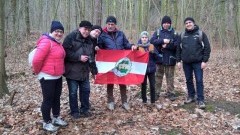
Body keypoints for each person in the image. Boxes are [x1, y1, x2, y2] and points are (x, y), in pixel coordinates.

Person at [32, 21, 67, 132]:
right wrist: (38, 72)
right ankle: (46, 122)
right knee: (48, 100)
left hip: (57, 76)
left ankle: (56, 117)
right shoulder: (46, 42)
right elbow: (37, 59)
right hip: (47, 77)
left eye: (61, 31)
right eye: (57, 31)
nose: (59, 33)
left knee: (56, 98)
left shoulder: (58, 43)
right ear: (52, 31)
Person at [98, 16, 137, 111]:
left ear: (115, 25)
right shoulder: (102, 35)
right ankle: (110, 102)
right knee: (110, 82)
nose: (110, 26)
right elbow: (99, 48)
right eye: (109, 24)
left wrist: (132, 46)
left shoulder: (120, 34)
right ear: (106, 24)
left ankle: (124, 101)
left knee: (122, 82)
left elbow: (126, 44)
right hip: (109, 63)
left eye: (112, 24)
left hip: (120, 62)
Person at [63, 20, 98, 119]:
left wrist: (94, 70)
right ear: (80, 28)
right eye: (85, 29)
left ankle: (85, 109)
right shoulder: (71, 37)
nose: (86, 31)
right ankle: (74, 111)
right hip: (72, 71)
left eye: (88, 30)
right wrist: (79, 57)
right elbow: (65, 53)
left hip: (84, 71)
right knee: (73, 92)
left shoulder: (90, 40)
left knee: (86, 91)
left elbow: (91, 56)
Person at [176, 17, 211, 109]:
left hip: (198, 62)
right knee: (188, 80)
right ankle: (191, 96)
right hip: (186, 63)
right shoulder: (182, 35)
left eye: (190, 22)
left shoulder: (200, 34)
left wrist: (204, 61)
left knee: (199, 80)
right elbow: (178, 49)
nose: (188, 24)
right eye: (186, 23)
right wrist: (178, 61)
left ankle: (200, 99)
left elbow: (207, 48)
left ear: (193, 23)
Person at [150, 16, 179, 101]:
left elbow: (177, 44)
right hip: (159, 59)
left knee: (170, 78)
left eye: (168, 23)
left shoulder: (174, 33)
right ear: (162, 23)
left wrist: (168, 44)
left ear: (170, 24)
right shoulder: (158, 32)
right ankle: (156, 93)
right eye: (164, 23)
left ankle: (171, 93)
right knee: (158, 77)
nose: (166, 24)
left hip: (170, 59)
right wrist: (163, 41)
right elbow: (152, 41)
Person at [137, 31, 156, 104]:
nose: (144, 39)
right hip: (142, 69)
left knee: (152, 85)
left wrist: (153, 52)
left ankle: (153, 101)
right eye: (143, 37)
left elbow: (157, 57)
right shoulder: (138, 47)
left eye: (146, 37)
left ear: (148, 38)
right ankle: (144, 100)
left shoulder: (151, 46)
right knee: (143, 85)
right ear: (141, 38)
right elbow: (135, 58)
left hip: (151, 69)